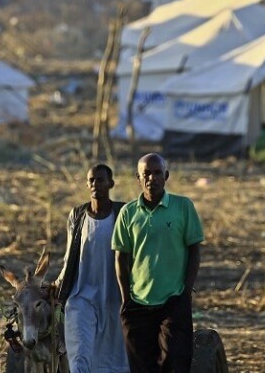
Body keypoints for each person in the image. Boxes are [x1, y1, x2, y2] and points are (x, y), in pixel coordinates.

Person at [112, 153, 204, 373]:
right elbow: (121, 257)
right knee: (142, 367)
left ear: (166, 176)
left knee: (175, 362)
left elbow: (194, 251)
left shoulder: (183, 207)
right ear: (138, 177)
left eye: (157, 173)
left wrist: (185, 292)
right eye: (146, 173)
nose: (151, 178)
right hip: (138, 303)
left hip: (173, 301)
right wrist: (126, 298)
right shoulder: (128, 212)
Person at [54, 164, 130, 373]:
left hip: (115, 297)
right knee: (79, 355)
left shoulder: (123, 213)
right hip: (82, 296)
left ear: (111, 184)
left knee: (113, 358)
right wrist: (58, 285)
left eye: (100, 180)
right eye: (91, 180)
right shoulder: (77, 215)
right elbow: (70, 256)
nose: (95, 184)